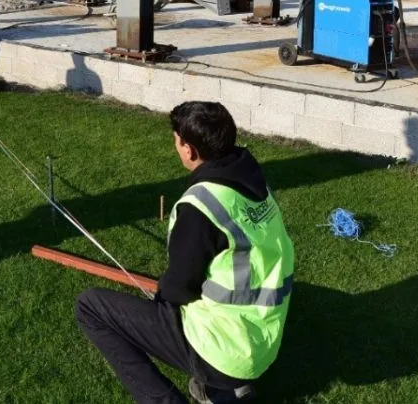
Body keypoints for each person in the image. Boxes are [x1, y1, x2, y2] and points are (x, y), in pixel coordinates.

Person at [76, 101, 294, 404]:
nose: (176, 146)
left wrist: (161, 300)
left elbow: (179, 289)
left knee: (89, 306)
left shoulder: (201, 206)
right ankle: (223, 389)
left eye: (176, 140)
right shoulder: (254, 183)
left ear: (189, 150)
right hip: (263, 341)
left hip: (226, 352)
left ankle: (192, 392)